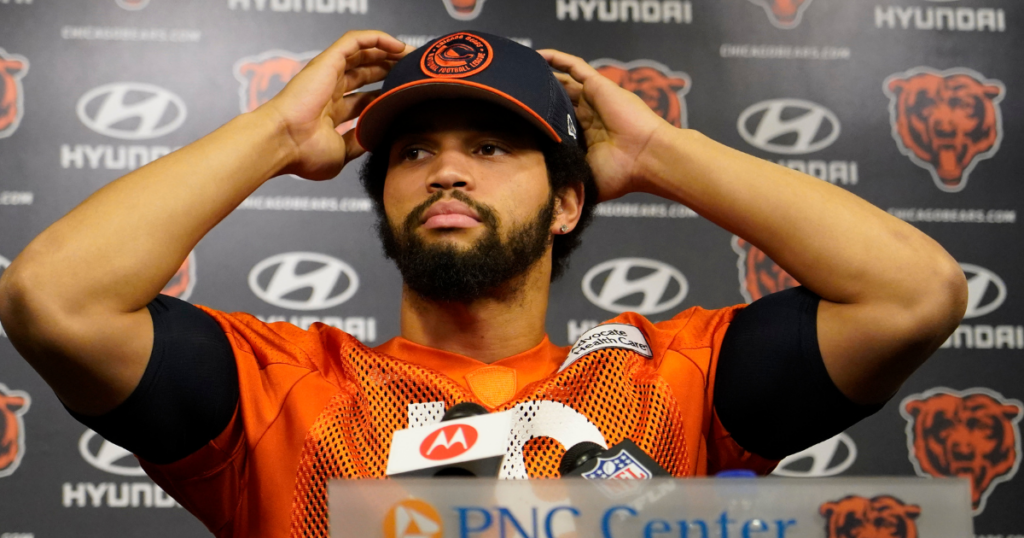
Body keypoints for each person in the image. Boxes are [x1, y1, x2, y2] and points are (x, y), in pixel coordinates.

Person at [0, 30, 966, 537]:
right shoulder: (283, 387)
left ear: (565, 205)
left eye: (492, 147)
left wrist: (659, 150)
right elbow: (56, 298)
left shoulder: (673, 381)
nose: (447, 171)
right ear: (386, 205)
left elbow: (913, 293)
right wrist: (277, 136)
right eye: (415, 150)